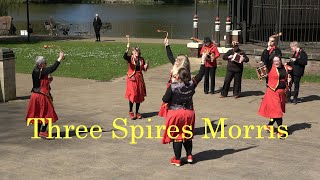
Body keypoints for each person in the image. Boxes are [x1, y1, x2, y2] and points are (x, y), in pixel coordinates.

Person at [162, 57, 205, 167]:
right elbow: (201, 74)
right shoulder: (191, 84)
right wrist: (203, 61)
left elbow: (165, 99)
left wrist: (172, 82)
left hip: (176, 113)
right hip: (189, 113)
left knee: (177, 136)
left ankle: (177, 159)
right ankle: (189, 155)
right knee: (187, 134)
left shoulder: (173, 87)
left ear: (178, 76)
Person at [25, 51, 64, 139]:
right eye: (45, 63)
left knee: (38, 114)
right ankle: (43, 131)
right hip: (41, 96)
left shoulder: (35, 70)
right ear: (41, 64)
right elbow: (52, 68)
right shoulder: (41, 71)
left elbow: (39, 82)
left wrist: (48, 81)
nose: (46, 64)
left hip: (35, 95)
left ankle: (38, 131)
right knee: (48, 113)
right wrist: (60, 58)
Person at [258, 56, 292, 139]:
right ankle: (281, 131)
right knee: (278, 112)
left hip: (282, 92)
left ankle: (269, 126)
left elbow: (289, 74)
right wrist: (268, 48)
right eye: (274, 61)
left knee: (275, 112)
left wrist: (289, 79)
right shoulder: (270, 68)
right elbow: (261, 70)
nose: (276, 62)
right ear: (273, 62)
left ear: (280, 61)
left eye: (278, 60)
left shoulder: (285, 67)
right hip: (272, 92)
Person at [158, 37, 191, 118]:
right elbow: (170, 56)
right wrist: (167, 45)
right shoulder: (176, 65)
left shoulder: (183, 71)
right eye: (176, 59)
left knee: (175, 108)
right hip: (171, 88)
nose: (175, 60)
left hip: (177, 91)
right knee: (168, 107)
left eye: (177, 60)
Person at [123, 43, 148, 120]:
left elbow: (144, 69)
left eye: (137, 53)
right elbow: (124, 57)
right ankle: (130, 111)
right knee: (133, 95)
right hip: (132, 79)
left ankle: (137, 112)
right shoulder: (130, 58)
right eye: (134, 53)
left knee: (139, 95)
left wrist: (146, 67)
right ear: (132, 53)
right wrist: (127, 49)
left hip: (139, 78)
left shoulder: (141, 59)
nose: (136, 54)